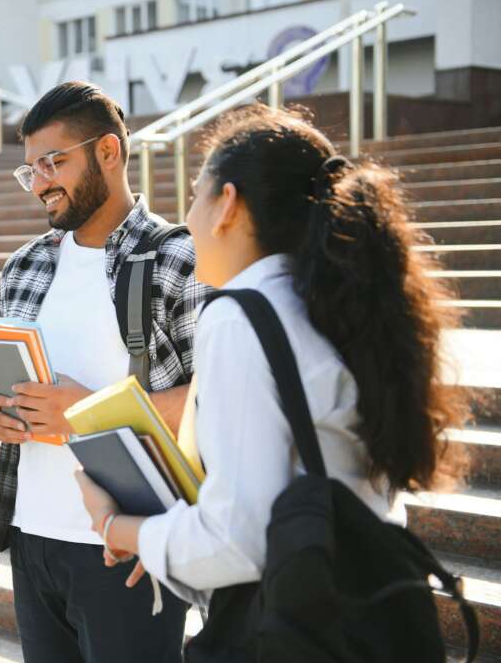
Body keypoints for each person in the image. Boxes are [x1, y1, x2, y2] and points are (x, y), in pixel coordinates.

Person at [76, 105, 469, 619]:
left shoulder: (243, 316)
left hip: (300, 624)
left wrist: (114, 525)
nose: (188, 217)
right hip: (364, 607)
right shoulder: (336, 299)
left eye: (196, 194)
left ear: (228, 205)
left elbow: (238, 540)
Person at [0, 81, 210, 663]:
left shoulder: (178, 258)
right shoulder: (24, 263)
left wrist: (85, 412)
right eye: (29, 169)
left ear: (109, 152)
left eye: (53, 162)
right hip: (33, 537)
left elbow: (226, 394)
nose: (39, 183)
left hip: (128, 543)